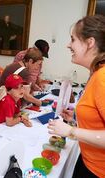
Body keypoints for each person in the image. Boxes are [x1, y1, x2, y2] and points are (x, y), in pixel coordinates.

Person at [48, 15, 105, 178]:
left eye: (72, 39)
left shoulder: (102, 78)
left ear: (89, 43)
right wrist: (76, 118)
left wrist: (71, 131)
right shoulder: (96, 73)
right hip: (89, 162)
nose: (68, 45)